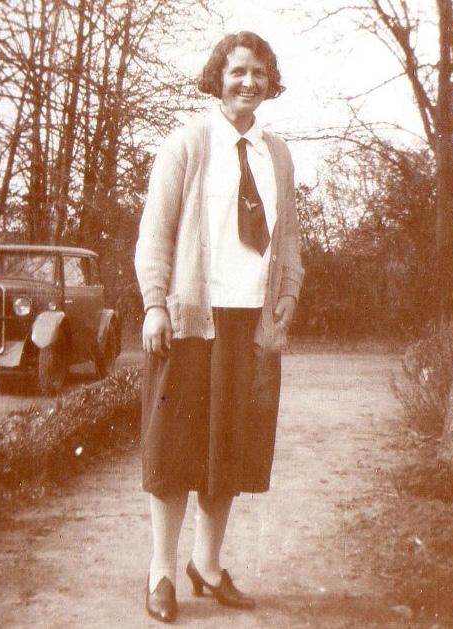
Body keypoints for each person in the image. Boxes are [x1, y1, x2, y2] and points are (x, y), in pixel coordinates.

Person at [134, 30, 304, 623]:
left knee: (229, 452)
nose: (248, 82)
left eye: (258, 72)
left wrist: (288, 293)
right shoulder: (187, 143)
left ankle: (206, 566)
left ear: (270, 82)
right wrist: (155, 303)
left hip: (250, 325)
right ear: (218, 79)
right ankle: (161, 572)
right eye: (237, 71)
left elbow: (289, 237)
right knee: (174, 451)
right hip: (190, 323)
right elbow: (155, 232)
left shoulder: (277, 155)